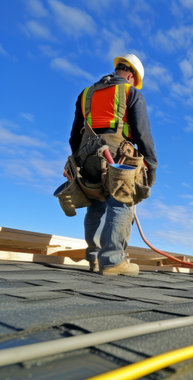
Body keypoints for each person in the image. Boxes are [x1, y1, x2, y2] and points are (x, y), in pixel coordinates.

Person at [69, 54, 157, 276]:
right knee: (120, 201)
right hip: (116, 156)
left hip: (87, 156)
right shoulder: (131, 92)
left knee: (95, 203)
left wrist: (77, 160)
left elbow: (74, 136)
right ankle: (112, 261)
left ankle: (94, 258)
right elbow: (142, 133)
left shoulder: (86, 94)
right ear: (131, 75)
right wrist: (151, 165)